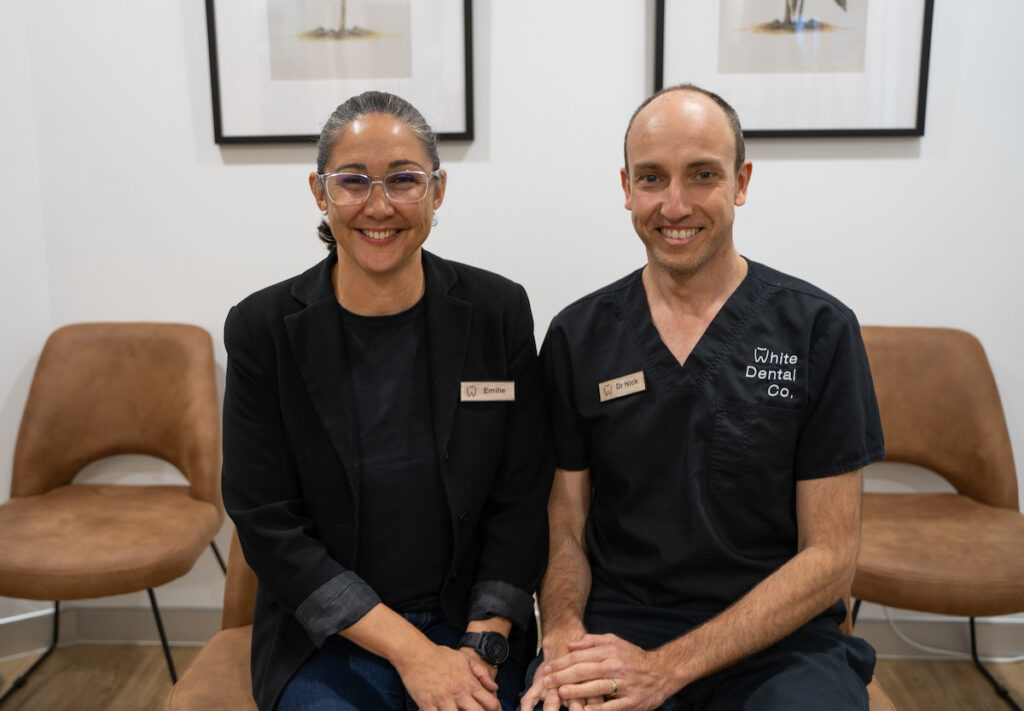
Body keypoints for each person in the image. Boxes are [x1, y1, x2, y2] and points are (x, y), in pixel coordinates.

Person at [521, 84, 885, 711]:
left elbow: (830, 557)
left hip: (778, 638)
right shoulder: (579, 336)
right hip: (620, 628)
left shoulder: (819, 329)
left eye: (702, 175)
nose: (675, 204)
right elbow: (565, 524)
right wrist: (561, 634)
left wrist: (667, 670)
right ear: (627, 187)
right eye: (652, 177)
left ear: (741, 182)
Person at [221, 90, 552, 711]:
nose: (379, 206)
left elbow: (521, 493)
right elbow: (266, 521)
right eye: (352, 181)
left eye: (404, 180)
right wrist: (413, 654)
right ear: (320, 193)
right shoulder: (262, 331)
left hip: (470, 625)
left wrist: (483, 642)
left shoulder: (497, 313)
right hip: (329, 635)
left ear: (438, 191)